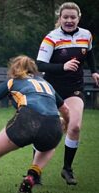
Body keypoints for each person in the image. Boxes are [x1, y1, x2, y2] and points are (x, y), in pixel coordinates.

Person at [0, 55, 70, 193]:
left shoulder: (13, 82)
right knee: (49, 147)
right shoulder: (47, 85)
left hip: (28, 118)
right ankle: (32, 175)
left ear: (14, 69)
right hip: (53, 123)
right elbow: (65, 109)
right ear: (33, 70)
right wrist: (66, 123)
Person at [36, 2, 99, 185]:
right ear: (60, 19)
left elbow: (89, 53)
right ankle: (35, 172)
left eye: (73, 17)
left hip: (74, 89)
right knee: (44, 131)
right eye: (65, 17)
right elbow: (40, 65)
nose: (69, 20)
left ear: (78, 18)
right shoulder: (51, 38)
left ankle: (67, 169)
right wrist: (62, 66)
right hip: (51, 90)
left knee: (75, 127)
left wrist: (94, 71)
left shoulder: (86, 35)